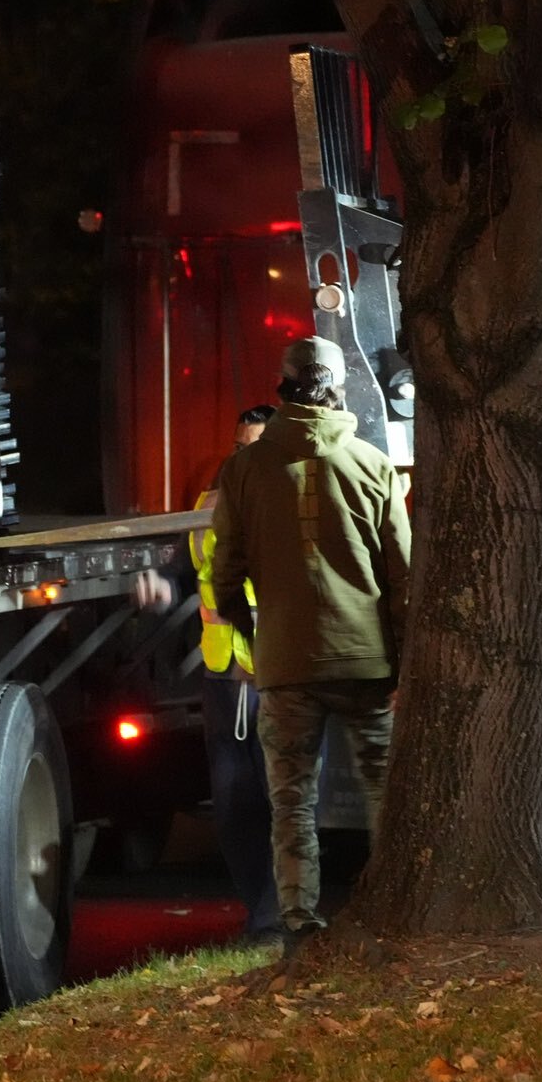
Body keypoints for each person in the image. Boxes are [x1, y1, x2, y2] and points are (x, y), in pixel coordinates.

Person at [210, 335, 411, 950]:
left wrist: (253, 638)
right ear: (337, 388)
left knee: (292, 798)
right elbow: (403, 575)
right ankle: (394, 910)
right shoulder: (374, 466)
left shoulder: (243, 469)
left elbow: (226, 571)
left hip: (286, 665)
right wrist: (402, 663)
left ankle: (299, 921)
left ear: (284, 385)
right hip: (366, 662)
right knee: (384, 793)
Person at [188, 405, 282, 943]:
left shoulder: (293, 507)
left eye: (257, 448)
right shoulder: (206, 507)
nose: (244, 459)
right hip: (223, 680)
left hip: (275, 677)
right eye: (239, 448)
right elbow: (188, 574)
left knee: (284, 805)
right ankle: (259, 914)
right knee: (233, 811)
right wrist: (157, 589)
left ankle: (273, 922)